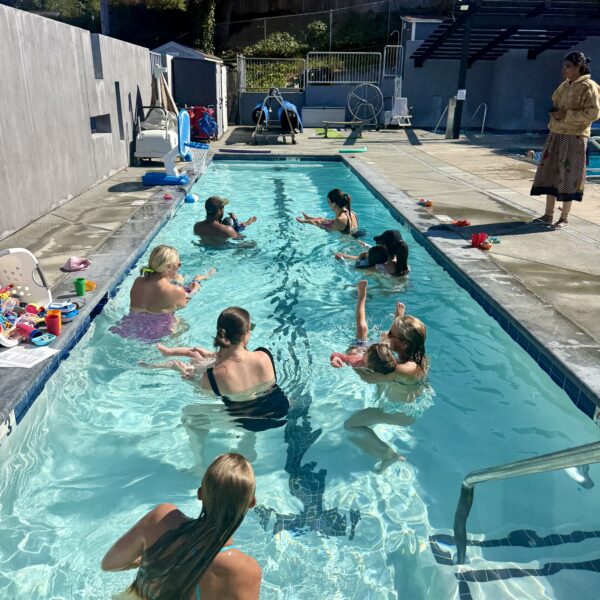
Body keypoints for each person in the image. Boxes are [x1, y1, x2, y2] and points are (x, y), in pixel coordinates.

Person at [101, 453, 262, 600]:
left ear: (200, 494)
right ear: (251, 503)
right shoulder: (245, 570)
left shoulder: (161, 517)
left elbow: (109, 564)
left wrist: (148, 560)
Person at [144, 307, 289, 432]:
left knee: (189, 413)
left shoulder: (214, 376)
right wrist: (214, 355)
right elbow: (242, 361)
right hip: (281, 411)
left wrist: (184, 374)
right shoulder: (264, 356)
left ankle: (199, 459)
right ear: (245, 335)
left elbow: (201, 391)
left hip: (248, 423)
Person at [531, 51, 600, 229]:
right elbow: (556, 102)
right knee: (551, 174)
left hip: (574, 136)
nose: (565, 70)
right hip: (556, 134)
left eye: (568, 66)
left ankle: (564, 217)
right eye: (564, 66)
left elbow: (593, 113)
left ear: (579, 67)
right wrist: (555, 114)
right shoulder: (564, 85)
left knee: (569, 176)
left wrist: (566, 116)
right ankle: (548, 214)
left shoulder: (589, 86)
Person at [110, 245, 215, 342]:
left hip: (130, 327)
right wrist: (196, 284)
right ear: (168, 267)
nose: (179, 267)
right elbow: (184, 302)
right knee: (184, 326)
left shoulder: (138, 281)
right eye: (179, 264)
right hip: (158, 333)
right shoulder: (175, 290)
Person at [330, 280, 398, 374]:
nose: (367, 348)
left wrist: (335, 359)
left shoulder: (356, 361)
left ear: (367, 364)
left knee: (362, 328)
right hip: (371, 352)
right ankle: (362, 296)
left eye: (366, 352)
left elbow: (336, 354)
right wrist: (335, 358)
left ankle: (361, 296)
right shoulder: (383, 361)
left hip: (358, 346)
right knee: (386, 339)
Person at [335, 229, 410, 276]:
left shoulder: (381, 267)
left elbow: (354, 269)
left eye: (379, 243)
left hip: (387, 292)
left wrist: (342, 260)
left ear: (384, 246)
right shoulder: (399, 258)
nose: (377, 245)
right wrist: (345, 256)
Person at [296, 189, 362, 236]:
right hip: (357, 236)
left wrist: (307, 222)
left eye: (328, 202)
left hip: (349, 245)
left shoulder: (340, 219)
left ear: (333, 204)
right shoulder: (351, 212)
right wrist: (311, 218)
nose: (328, 205)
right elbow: (331, 222)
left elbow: (328, 229)